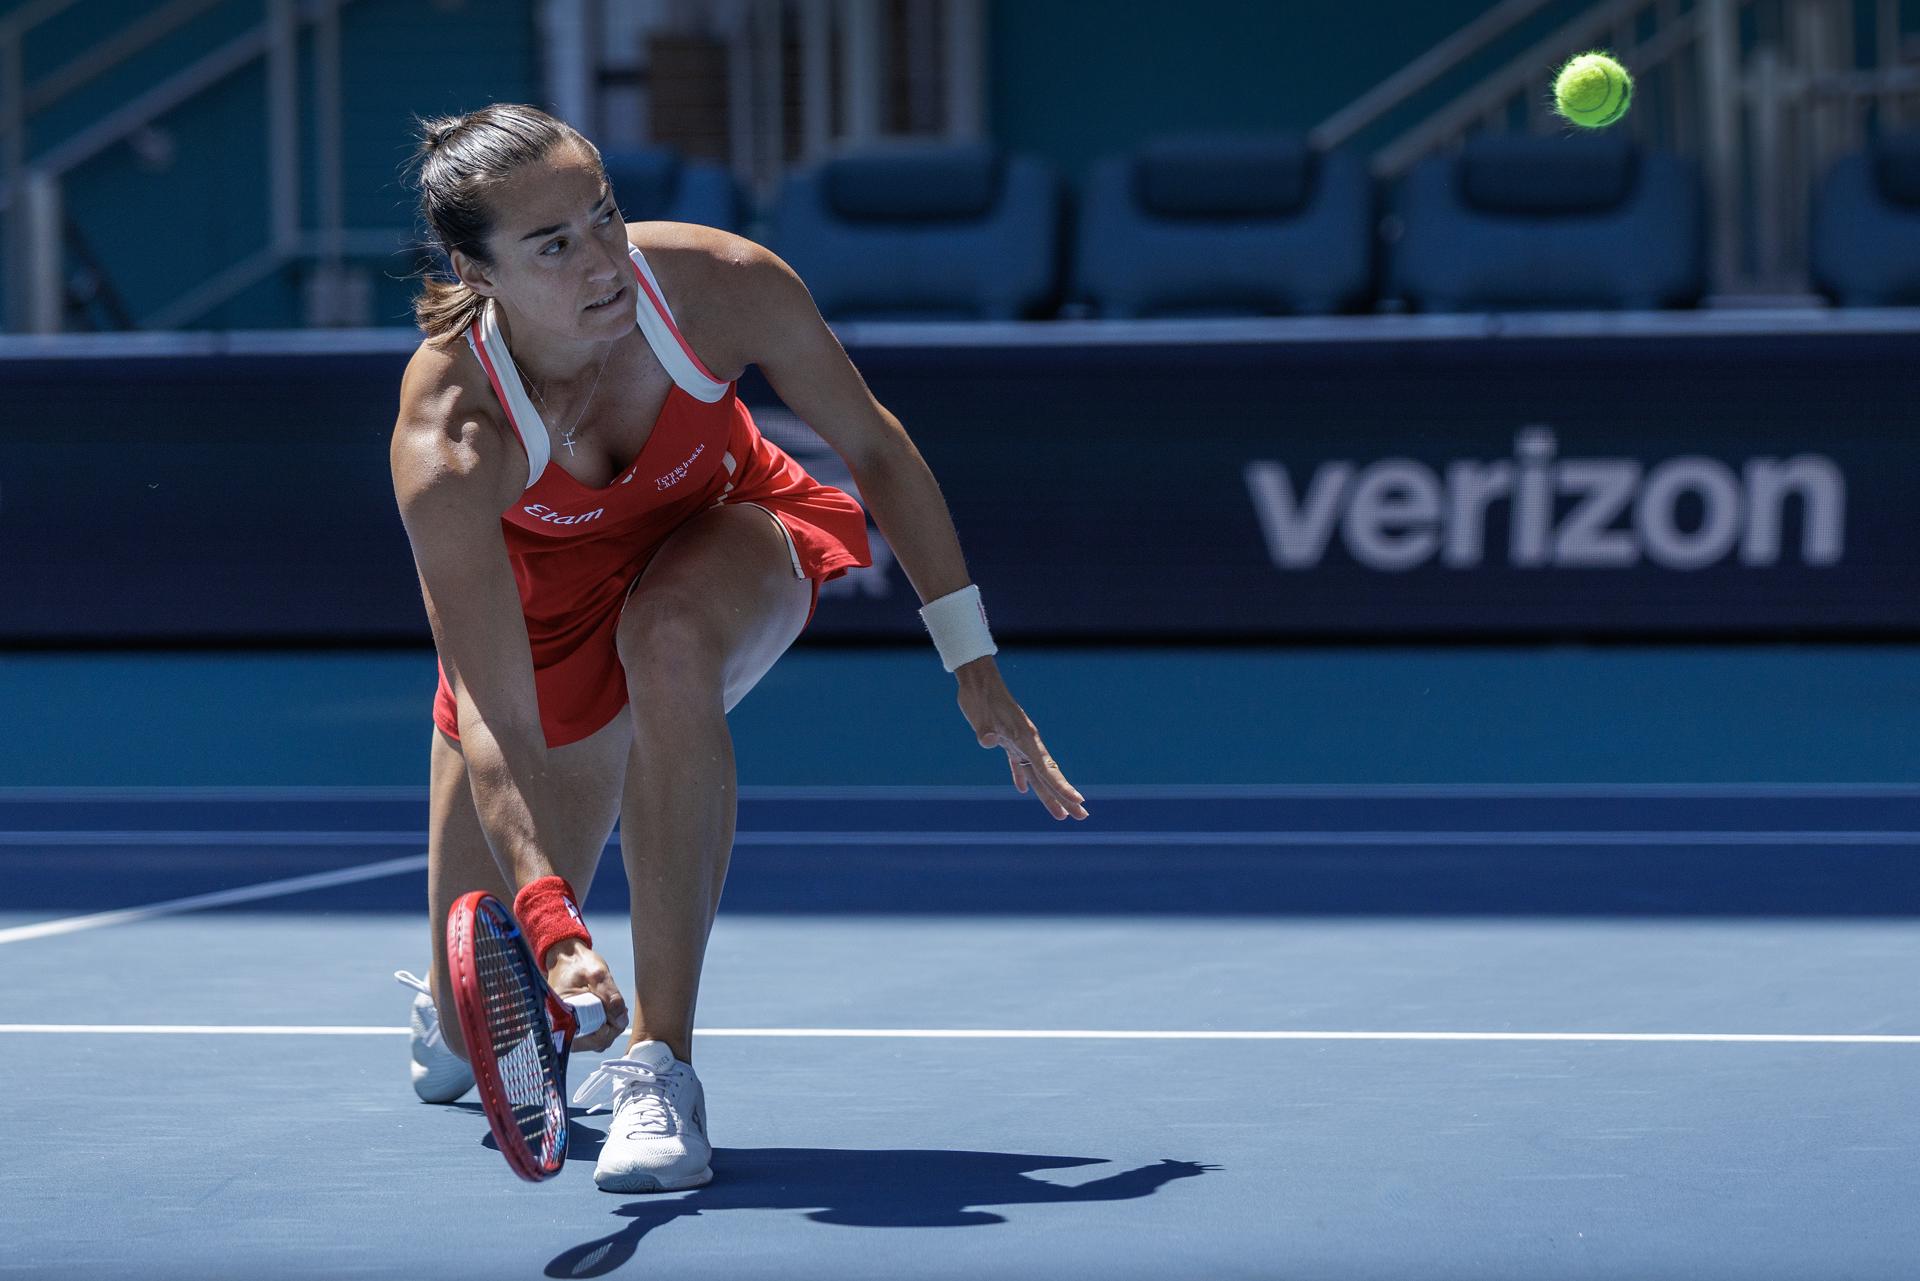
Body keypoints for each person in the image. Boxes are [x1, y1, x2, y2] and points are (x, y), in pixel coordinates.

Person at [387, 104, 1087, 1194]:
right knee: (458, 1038)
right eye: (553, 245)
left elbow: (875, 446)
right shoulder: (452, 438)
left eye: (604, 215)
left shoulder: (718, 283)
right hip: (545, 614)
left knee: (666, 640)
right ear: (473, 268)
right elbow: (493, 711)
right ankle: (455, 997)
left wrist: (974, 663)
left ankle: (659, 1067)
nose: (603, 259)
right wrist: (541, 908)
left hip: (723, 535)